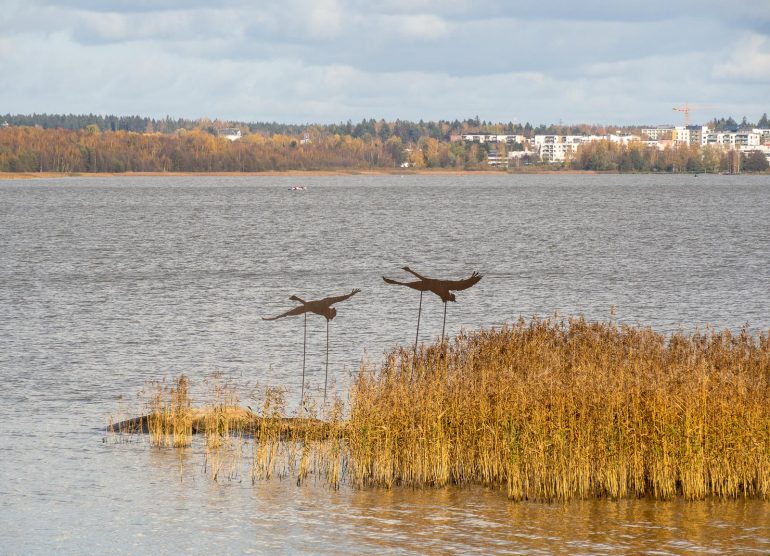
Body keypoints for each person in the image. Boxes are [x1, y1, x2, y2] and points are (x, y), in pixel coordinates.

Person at [262, 289, 361, 321]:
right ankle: (274, 318)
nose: (327, 317)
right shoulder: (325, 304)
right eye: (329, 315)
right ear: (329, 311)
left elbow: (340, 299)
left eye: (328, 316)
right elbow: (307, 305)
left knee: (287, 314)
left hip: (309, 307)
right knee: (288, 313)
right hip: (309, 306)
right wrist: (296, 298)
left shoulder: (323, 311)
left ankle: (274, 318)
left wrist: (351, 295)